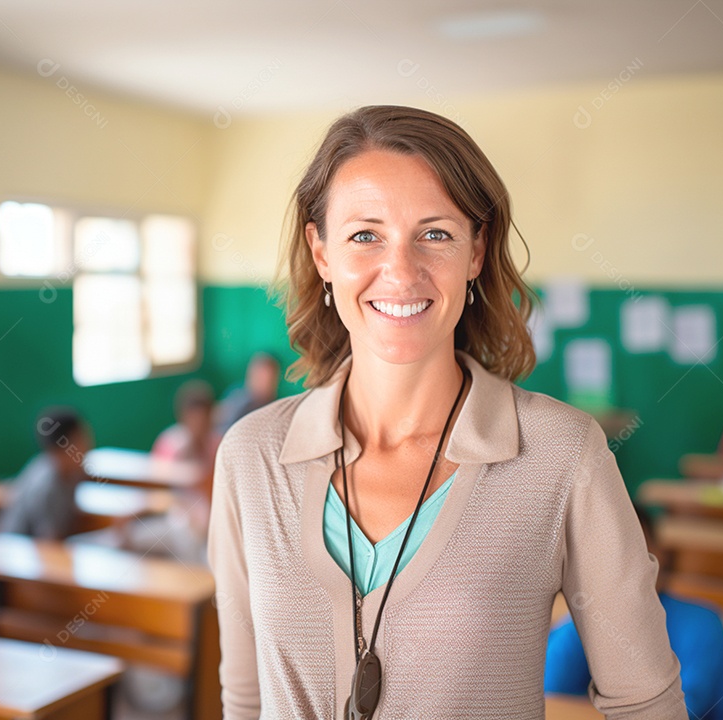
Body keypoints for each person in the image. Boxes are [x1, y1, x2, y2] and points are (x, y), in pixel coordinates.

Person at [207, 105, 686, 718]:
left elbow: (646, 703)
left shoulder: (564, 455)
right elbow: (246, 700)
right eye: (364, 235)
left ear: (477, 251)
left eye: (435, 233)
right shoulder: (249, 456)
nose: (401, 271)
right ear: (321, 251)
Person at [545, 504, 723, 720]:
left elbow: (685, 710)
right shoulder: (591, 620)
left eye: (639, 547)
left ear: (662, 553)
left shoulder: (703, 624)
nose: (627, 564)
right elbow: (551, 692)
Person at [0, 408, 92, 540]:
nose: (88, 445)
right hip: (15, 549)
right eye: (81, 440)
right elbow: (48, 542)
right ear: (60, 450)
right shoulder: (46, 486)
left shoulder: (72, 471)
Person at [213, 352, 281, 434]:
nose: (265, 382)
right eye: (261, 377)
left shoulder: (278, 408)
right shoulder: (237, 402)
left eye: (270, 378)